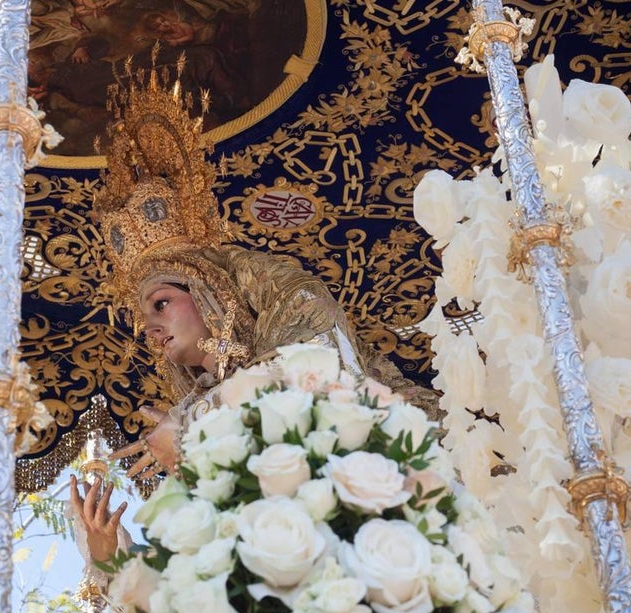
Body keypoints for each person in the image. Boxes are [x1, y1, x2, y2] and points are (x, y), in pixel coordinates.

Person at [70, 62, 436, 568]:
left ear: (209, 290)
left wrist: (199, 425)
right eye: (142, 316)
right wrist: (112, 560)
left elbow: (321, 364)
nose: (150, 327)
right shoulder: (196, 425)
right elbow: (220, 589)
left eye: (161, 303)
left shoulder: (290, 309)